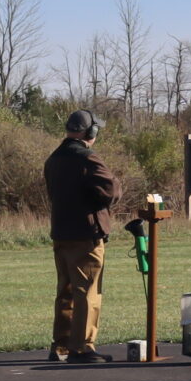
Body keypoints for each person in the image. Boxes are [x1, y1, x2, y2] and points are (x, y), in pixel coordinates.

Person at [44, 110, 120, 363]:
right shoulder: (87, 158)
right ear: (91, 132)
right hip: (85, 235)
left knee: (65, 290)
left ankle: (61, 346)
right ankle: (82, 347)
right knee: (87, 290)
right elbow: (110, 190)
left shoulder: (54, 158)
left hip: (61, 233)